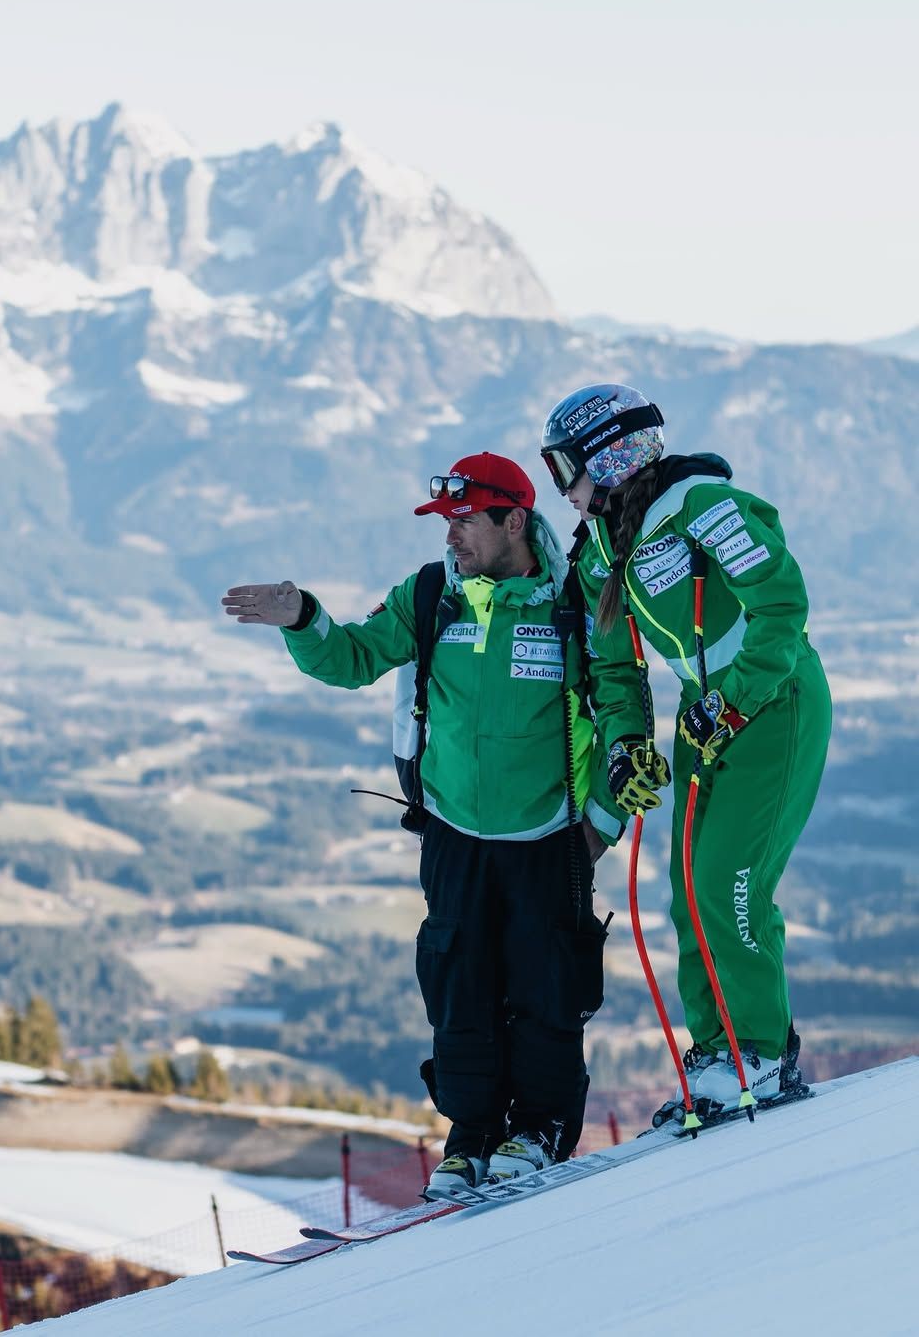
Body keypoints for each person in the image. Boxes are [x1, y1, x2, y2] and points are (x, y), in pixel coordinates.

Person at [222, 452, 624, 1188]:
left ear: (514, 520)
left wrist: (600, 822)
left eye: (464, 520)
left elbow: (623, 701)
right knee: (458, 988)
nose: (451, 536)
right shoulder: (432, 593)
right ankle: (471, 1137)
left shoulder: (574, 596)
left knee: (547, 989)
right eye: (446, 522)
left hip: (547, 838)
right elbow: (351, 659)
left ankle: (539, 1129)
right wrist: (304, 618)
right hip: (452, 835)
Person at [539, 384, 832, 1114]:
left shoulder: (704, 506)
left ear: (610, 458)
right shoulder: (600, 549)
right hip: (703, 713)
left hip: (773, 699)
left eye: (566, 468)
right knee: (688, 894)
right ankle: (718, 1051)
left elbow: (782, 604)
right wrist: (627, 746)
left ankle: (761, 1051)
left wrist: (736, 698)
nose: (563, 490)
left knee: (729, 880)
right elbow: (615, 668)